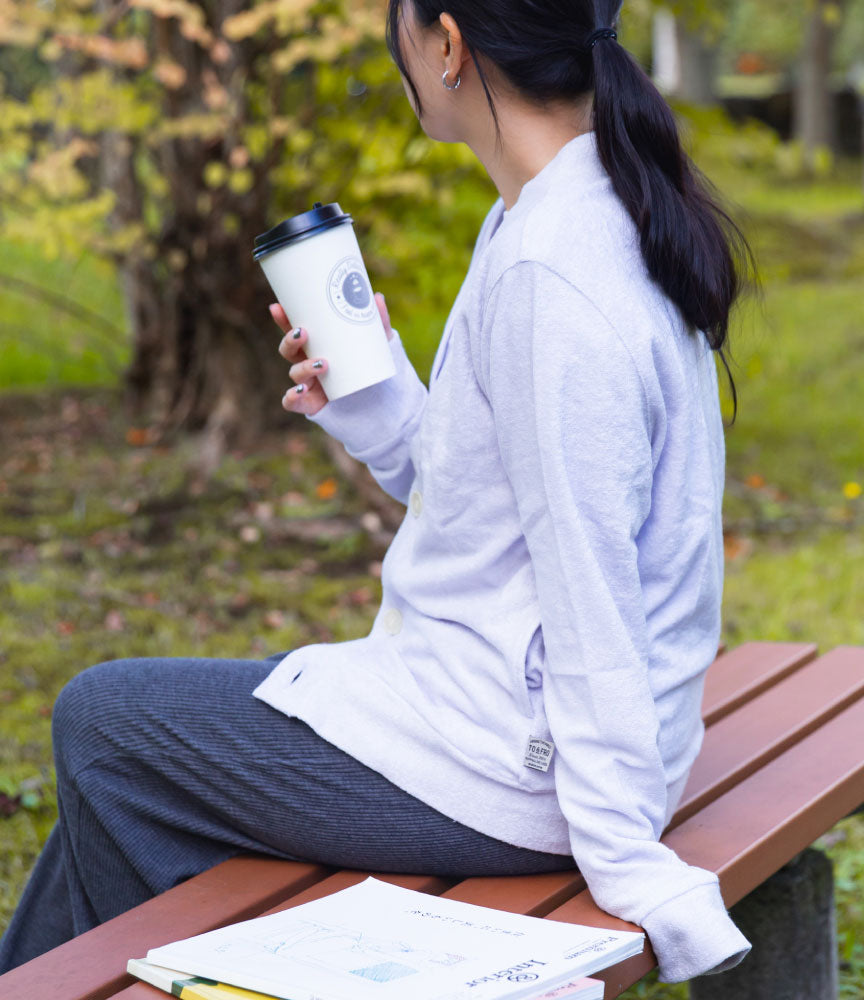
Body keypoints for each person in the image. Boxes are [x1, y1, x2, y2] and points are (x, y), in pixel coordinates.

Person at [0, 0, 757, 984]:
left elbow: (589, 574)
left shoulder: (552, 274)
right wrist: (377, 396)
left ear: (447, 45)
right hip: (513, 717)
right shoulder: (569, 210)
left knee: (106, 719)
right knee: (155, 740)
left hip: (522, 768)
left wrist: (625, 858)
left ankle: (220, 968)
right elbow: (491, 503)